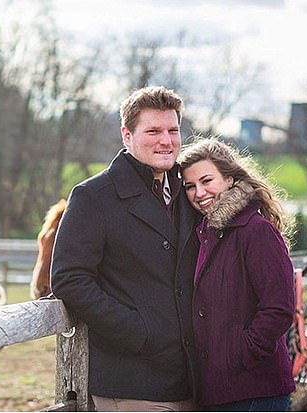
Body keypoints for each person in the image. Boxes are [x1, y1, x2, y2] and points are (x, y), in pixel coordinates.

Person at [51, 86, 201, 411]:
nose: (166, 140)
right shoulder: (94, 197)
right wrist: (139, 331)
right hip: (131, 382)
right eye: (153, 131)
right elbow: (69, 279)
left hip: (189, 378)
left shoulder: (187, 190)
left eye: (173, 130)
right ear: (127, 135)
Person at [178, 138, 296, 411]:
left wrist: (240, 353)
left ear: (229, 179)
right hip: (219, 391)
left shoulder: (256, 231)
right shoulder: (206, 234)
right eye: (190, 186)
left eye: (207, 180)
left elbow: (279, 308)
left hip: (255, 390)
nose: (199, 192)